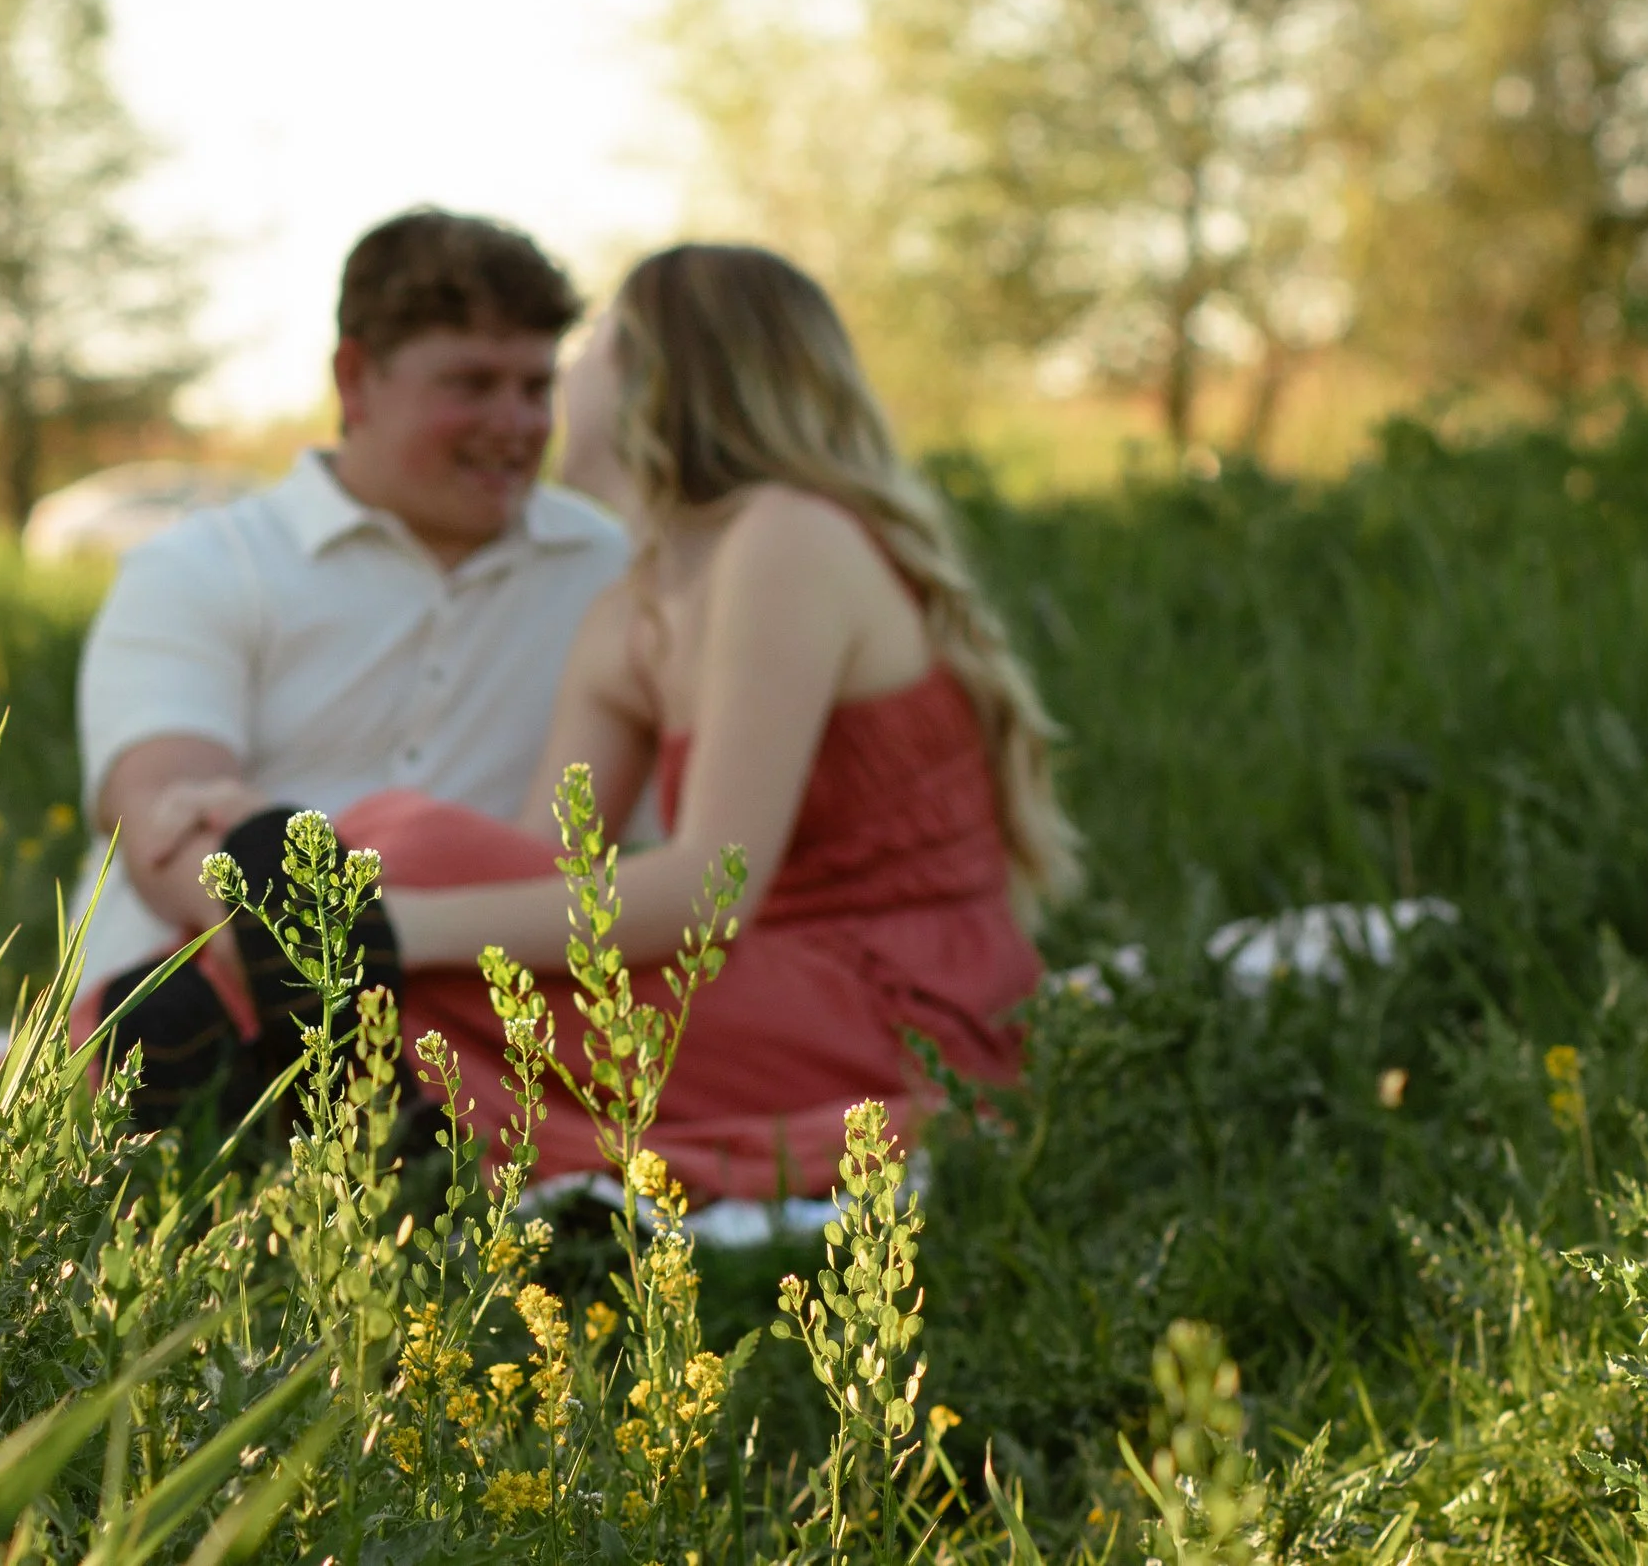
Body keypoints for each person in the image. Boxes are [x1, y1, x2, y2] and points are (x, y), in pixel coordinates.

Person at [181, 244, 1082, 1198]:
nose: (559, 386)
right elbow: (532, 865)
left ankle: (230, 1051)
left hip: (895, 1012)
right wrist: (356, 901)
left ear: (664, 377)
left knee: (407, 854)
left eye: (587, 350)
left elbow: (708, 891)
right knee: (414, 859)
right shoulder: (631, 610)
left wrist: (384, 926)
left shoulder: (787, 539)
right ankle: (267, 1063)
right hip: (762, 988)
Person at [70, 209, 627, 1122]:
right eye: (471, 383)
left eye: (536, 386)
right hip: (176, 1034)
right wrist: (310, 966)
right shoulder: (202, 567)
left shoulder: (609, 568)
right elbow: (166, 818)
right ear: (354, 378)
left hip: (472, 1053)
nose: (516, 424)